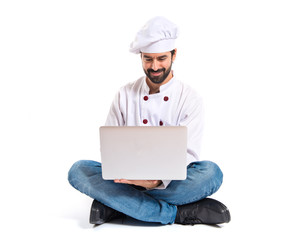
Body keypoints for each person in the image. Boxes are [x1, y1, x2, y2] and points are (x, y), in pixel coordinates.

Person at [68, 16, 231, 226]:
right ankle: (177, 214)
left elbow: (189, 156)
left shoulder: (190, 98)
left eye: (161, 58)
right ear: (141, 57)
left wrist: (154, 182)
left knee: (211, 173)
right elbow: (110, 148)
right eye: (148, 59)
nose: (155, 66)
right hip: (126, 181)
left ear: (174, 55)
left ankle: (115, 204)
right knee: (78, 170)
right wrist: (128, 176)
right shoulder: (124, 94)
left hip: (169, 183)